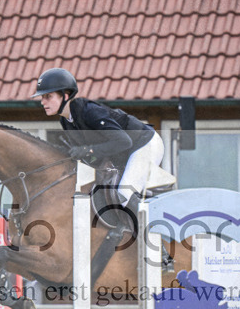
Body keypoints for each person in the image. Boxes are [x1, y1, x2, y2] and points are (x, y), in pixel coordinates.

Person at [32, 68, 163, 230]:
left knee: (124, 192)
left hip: (145, 144)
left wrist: (89, 150)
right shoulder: (66, 121)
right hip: (124, 154)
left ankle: (154, 244)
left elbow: (123, 141)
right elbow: (95, 157)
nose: (42, 101)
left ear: (65, 96)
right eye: (42, 97)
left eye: (48, 97)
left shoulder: (90, 111)